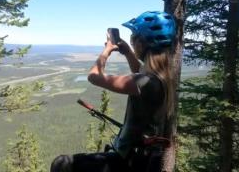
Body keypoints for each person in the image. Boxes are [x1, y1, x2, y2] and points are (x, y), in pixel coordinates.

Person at [50, 11, 176, 172]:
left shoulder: (144, 82)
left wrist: (107, 51)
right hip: (144, 159)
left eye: (133, 38)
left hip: (128, 161)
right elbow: (140, 73)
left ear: (142, 44)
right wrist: (128, 52)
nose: (131, 42)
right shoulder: (161, 79)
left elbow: (94, 76)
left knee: (62, 164)